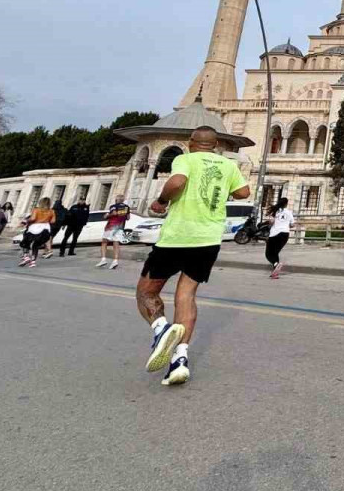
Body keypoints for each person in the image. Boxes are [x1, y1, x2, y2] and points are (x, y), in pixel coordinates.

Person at [137, 127, 250, 387]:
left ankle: (162, 330)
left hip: (179, 236)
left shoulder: (185, 159)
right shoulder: (227, 164)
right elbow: (243, 193)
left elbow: (177, 182)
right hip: (208, 240)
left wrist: (162, 200)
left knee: (146, 292)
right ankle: (179, 360)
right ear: (216, 145)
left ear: (191, 143)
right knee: (186, 296)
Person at [96, 195, 131, 270]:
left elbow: (114, 213)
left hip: (111, 226)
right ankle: (115, 261)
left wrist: (107, 216)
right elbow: (128, 218)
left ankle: (103, 259)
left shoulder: (114, 206)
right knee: (116, 243)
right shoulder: (126, 207)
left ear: (116, 200)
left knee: (104, 242)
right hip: (120, 227)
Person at [19, 198, 56, 267]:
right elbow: (53, 221)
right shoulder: (52, 211)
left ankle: (26, 257)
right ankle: (33, 262)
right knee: (36, 245)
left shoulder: (36, 209)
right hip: (45, 228)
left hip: (35, 227)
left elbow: (33, 218)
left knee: (25, 242)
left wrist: (27, 221)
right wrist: (46, 219)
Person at [264, 197, 293, 279]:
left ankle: (276, 264)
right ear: (286, 204)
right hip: (285, 235)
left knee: (268, 254)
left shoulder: (275, 211)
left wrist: (269, 223)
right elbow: (292, 224)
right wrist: (286, 224)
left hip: (274, 234)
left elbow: (272, 222)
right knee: (275, 253)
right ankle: (275, 272)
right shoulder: (289, 212)